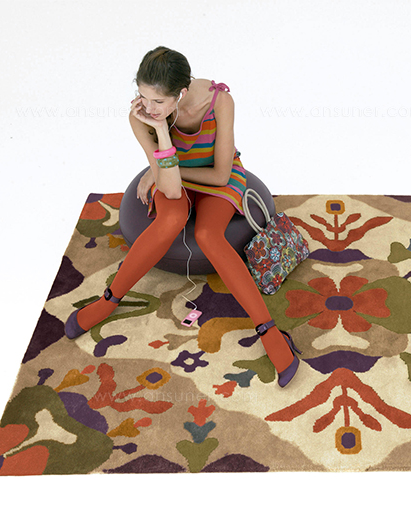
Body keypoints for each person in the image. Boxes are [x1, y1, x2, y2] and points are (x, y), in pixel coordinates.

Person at [65, 47, 301, 387]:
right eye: (142, 96)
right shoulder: (141, 117)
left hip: (215, 177)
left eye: (158, 101)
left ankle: (269, 331)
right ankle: (108, 300)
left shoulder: (220, 101)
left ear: (182, 93)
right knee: (170, 219)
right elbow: (173, 192)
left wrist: (163, 169)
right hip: (173, 178)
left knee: (208, 236)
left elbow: (220, 174)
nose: (148, 107)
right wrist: (161, 134)